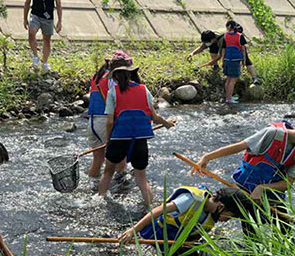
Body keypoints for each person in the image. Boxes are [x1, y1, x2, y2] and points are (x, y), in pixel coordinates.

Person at [191, 117, 295, 233]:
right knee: (251, 232)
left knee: (285, 231)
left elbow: (288, 183)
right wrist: (207, 157)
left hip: (271, 194)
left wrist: (262, 188)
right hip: (245, 191)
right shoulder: (272, 134)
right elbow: (240, 146)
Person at [98, 58, 175, 206]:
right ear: (130, 73)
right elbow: (154, 117)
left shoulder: (112, 92)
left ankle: (99, 203)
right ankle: (151, 208)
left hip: (118, 139)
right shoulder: (143, 89)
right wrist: (167, 124)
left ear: (114, 77)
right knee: (141, 177)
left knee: (108, 173)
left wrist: (108, 141)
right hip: (139, 140)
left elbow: (110, 122)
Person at [119, 186, 248, 255]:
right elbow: (158, 210)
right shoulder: (190, 200)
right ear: (221, 207)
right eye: (229, 216)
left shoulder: (212, 213)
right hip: (154, 237)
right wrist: (133, 230)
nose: (226, 221)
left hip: (178, 244)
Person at [86, 52, 131, 186]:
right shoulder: (112, 78)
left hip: (92, 122)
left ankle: (92, 186)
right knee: (120, 158)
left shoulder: (97, 77)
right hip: (105, 121)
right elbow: (116, 102)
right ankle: (121, 190)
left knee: (98, 159)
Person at [187, 26, 260, 85]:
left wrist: (211, 62)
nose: (207, 43)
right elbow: (202, 47)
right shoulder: (210, 36)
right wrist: (192, 54)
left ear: (213, 39)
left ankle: (254, 78)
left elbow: (220, 56)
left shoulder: (223, 40)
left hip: (236, 43)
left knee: (246, 60)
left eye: (208, 42)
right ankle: (216, 67)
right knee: (212, 47)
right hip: (222, 41)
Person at [23, 0, 62, 72]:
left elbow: (58, 5)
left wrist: (59, 21)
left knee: (47, 40)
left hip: (48, 18)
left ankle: (45, 62)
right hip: (35, 15)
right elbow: (27, 3)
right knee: (31, 33)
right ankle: (35, 56)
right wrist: (25, 18)